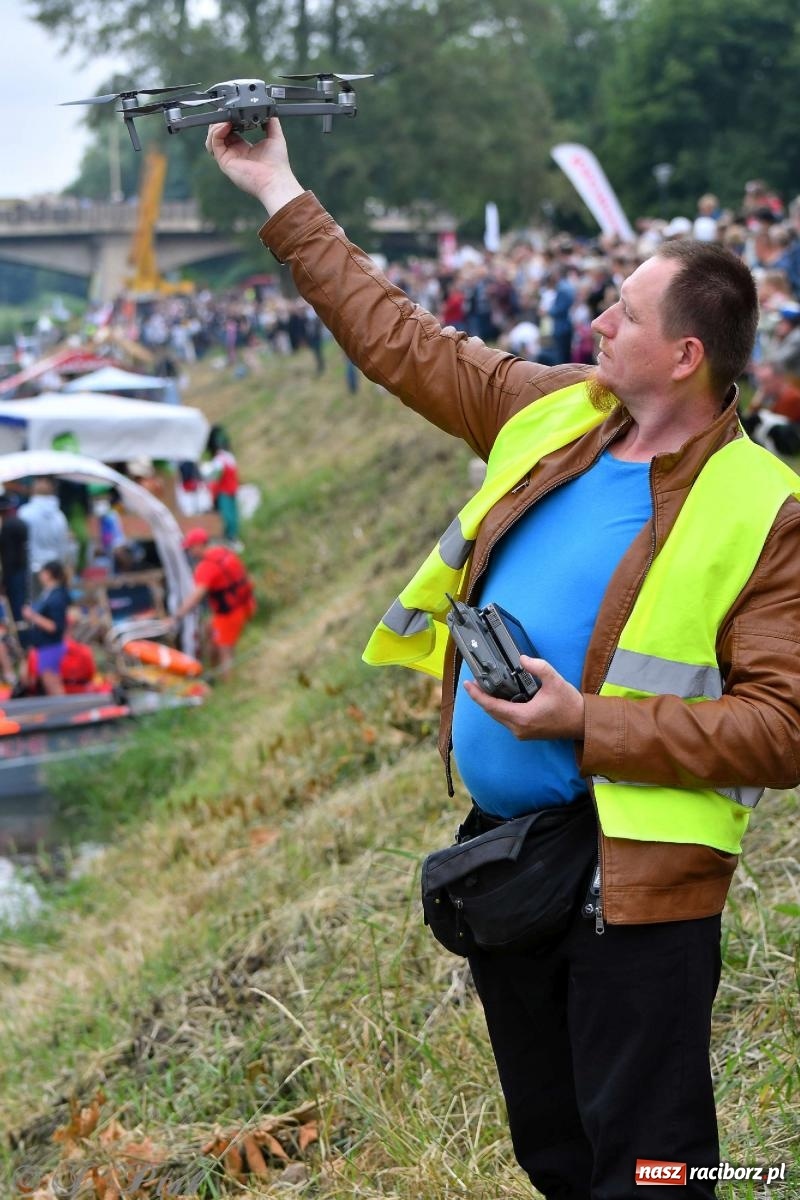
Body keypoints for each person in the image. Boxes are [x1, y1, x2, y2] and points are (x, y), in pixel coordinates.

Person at [205, 118, 800, 1199]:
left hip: (635, 893)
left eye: (625, 313)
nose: (597, 319)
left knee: (654, 1169)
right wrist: (278, 190)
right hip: (514, 860)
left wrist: (585, 724)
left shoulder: (766, 508)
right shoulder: (559, 412)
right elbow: (402, 341)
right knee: (556, 1154)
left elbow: (782, 729)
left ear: (685, 356)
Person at [172, 528, 255, 681]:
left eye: (190, 548)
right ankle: (213, 675)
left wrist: (177, 615)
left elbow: (196, 596)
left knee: (225, 651)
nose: (190, 553)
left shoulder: (206, 567)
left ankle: (228, 685)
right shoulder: (223, 552)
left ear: (199, 545)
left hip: (228, 614)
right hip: (244, 604)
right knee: (208, 630)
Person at [21, 560, 71, 696]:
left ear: (49, 574)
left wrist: (32, 616)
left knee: (53, 685)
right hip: (45, 646)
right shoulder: (49, 593)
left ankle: (62, 709)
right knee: (50, 684)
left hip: (51, 645)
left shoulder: (56, 596)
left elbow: (55, 626)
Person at [17, 478, 70, 579]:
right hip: (53, 568)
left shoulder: (24, 513)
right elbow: (63, 545)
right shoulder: (60, 516)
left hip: (31, 567)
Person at [0, 491, 28, 624]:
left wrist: (4, 579)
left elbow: (9, 556)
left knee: (15, 608)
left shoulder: (7, 526)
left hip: (12, 573)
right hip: (21, 570)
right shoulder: (19, 522)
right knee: (20, 605)